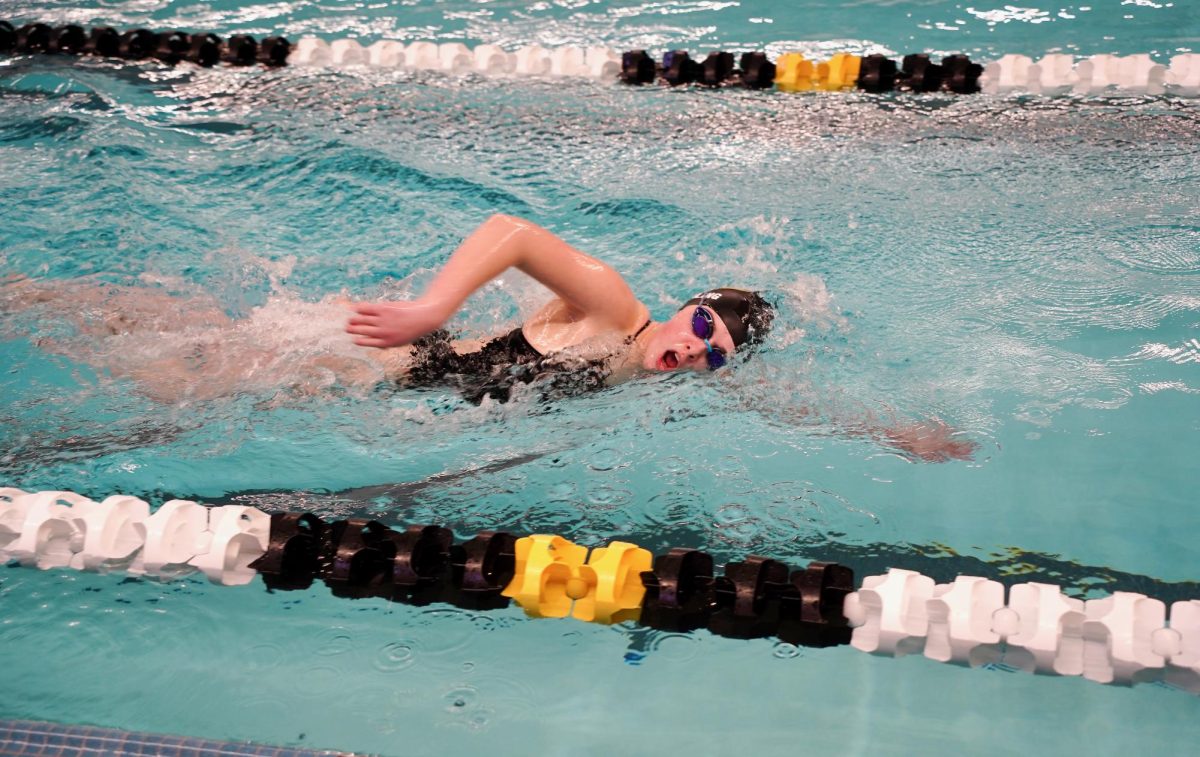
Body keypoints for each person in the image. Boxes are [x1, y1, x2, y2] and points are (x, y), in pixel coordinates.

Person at [2, 214, 974, 460]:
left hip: (382, 381)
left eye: (713, 357)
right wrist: (429, 309)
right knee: (161, 376)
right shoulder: (610, 303)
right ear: (686, 305)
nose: (697, 353)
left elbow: (782, 401)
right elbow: (511, 233)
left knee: (162, 355)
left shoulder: (654, 373)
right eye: (703, 328)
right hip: (373, 358)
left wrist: (895, 433)